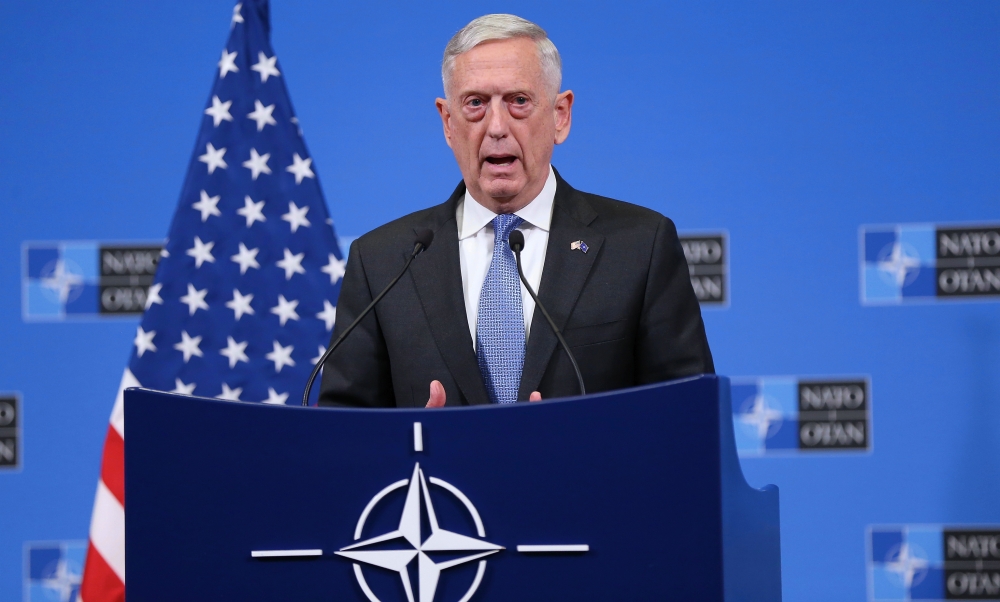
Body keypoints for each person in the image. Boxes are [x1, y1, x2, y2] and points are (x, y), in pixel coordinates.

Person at [318, 14, 713, 409]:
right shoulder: (382, 263)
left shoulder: (640, 247)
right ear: (448, 122)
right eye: (475, 103)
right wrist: (413, 441)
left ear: (560, 115)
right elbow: (343, 438)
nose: (496, 127)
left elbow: (689, 421)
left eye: (518, 101)